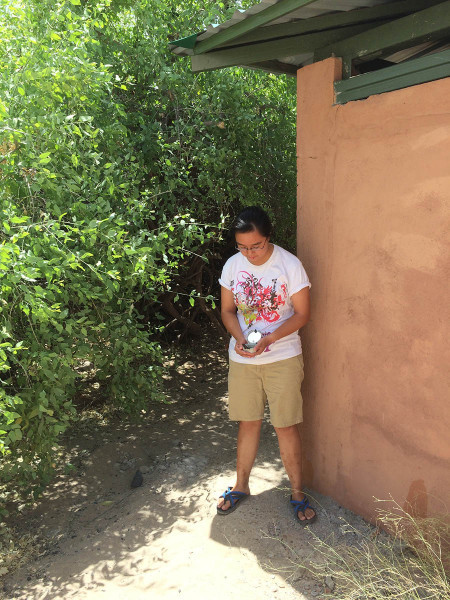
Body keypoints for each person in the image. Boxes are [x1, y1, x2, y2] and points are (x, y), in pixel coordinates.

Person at [217, 206, 316, 525]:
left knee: (285, 425)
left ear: (268, 237)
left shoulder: (289, 265)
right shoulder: (233, 265)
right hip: (243, 359)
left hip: (282, 357)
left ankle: (297, 493)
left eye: (256, 246)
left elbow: (302, 314)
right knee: (248, 422)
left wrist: (269, 338)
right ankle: (241, 485)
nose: (249, 254)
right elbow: (228, 311)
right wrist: (240, 340)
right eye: (242, 247)